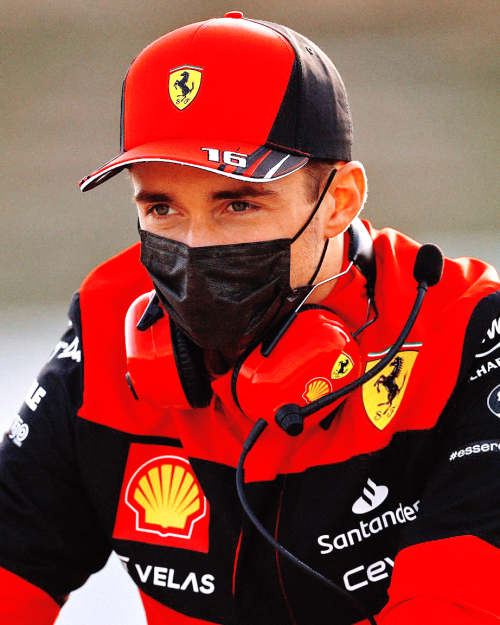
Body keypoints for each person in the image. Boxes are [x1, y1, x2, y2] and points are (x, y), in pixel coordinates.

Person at [1, 11, 500, 625]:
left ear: (339, 200)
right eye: (161, 206)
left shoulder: (471, 333)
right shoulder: (107, 326)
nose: (196, 244)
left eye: (238, 202)